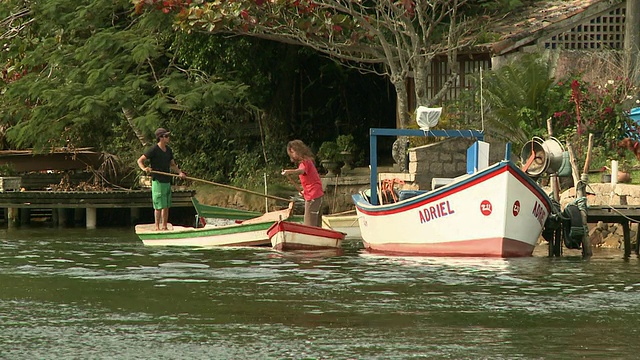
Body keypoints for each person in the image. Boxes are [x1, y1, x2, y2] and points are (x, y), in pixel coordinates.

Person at [137, 127, 186, 231]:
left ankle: (164, 227)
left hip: (167, 180)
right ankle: (157, 227)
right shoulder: (154, 149)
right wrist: (145, 168)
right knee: (159, 205)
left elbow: (172, 164)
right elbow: (140, 161)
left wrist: (180, 173)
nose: (168, 138)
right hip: (157, 181)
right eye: (166, 136)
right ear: (161, 137)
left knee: (166, 205)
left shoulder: (168, 150)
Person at [281, 140, 324, 227]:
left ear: (298, 150)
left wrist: (288, 172)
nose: (292, 155)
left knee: (309, 224)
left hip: (313, 196)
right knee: (316, 224)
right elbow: (310, 179)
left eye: (293, 152)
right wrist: (305, 191)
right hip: (315, 194)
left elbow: (301, 171)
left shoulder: (305, 162)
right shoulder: (307, 162)